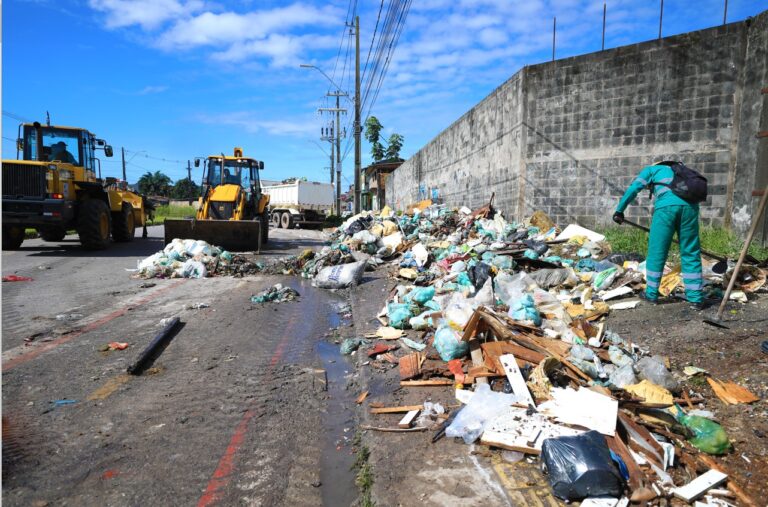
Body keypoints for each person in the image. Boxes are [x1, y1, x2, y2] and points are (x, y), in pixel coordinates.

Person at [613, 161, 705, 309]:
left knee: (657, 252)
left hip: (666, 210)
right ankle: (696, 298)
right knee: (690, 251)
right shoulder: (683, 171)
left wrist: (619, 210)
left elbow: (634, 188)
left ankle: (651, 294)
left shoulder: (652, 170)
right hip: (691, 209)